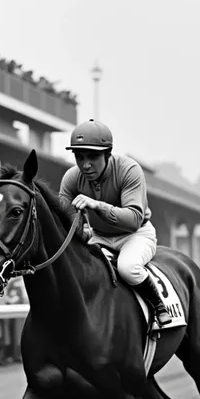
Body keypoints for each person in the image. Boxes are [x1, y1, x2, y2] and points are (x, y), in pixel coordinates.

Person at [59, 119, 171, 327]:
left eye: (93, 157)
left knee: (128, 268)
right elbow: (63, 221)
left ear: (108, 154)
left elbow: (133, 220)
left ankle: (158, 305)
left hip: (135, 235)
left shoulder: (129, 170)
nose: (85, 164)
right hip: (99, 236)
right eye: (79, 157)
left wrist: (97, 206)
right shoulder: (71, 178)